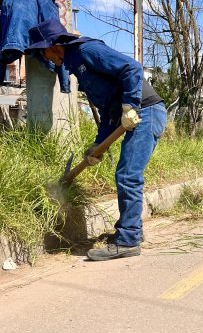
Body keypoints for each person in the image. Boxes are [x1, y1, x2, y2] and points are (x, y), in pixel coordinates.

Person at [26, 19, 166, 261]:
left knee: (128, 175)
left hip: (146, 111)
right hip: (130, 114)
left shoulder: (86, 50)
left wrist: (130, 105)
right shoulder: (75, 65)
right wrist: (98, 145)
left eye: (43, 52)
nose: (45, 59)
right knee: (127, 174)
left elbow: (131, 68)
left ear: (54, 45)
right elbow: (107, 109)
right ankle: (131, 231)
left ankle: (128, 240)